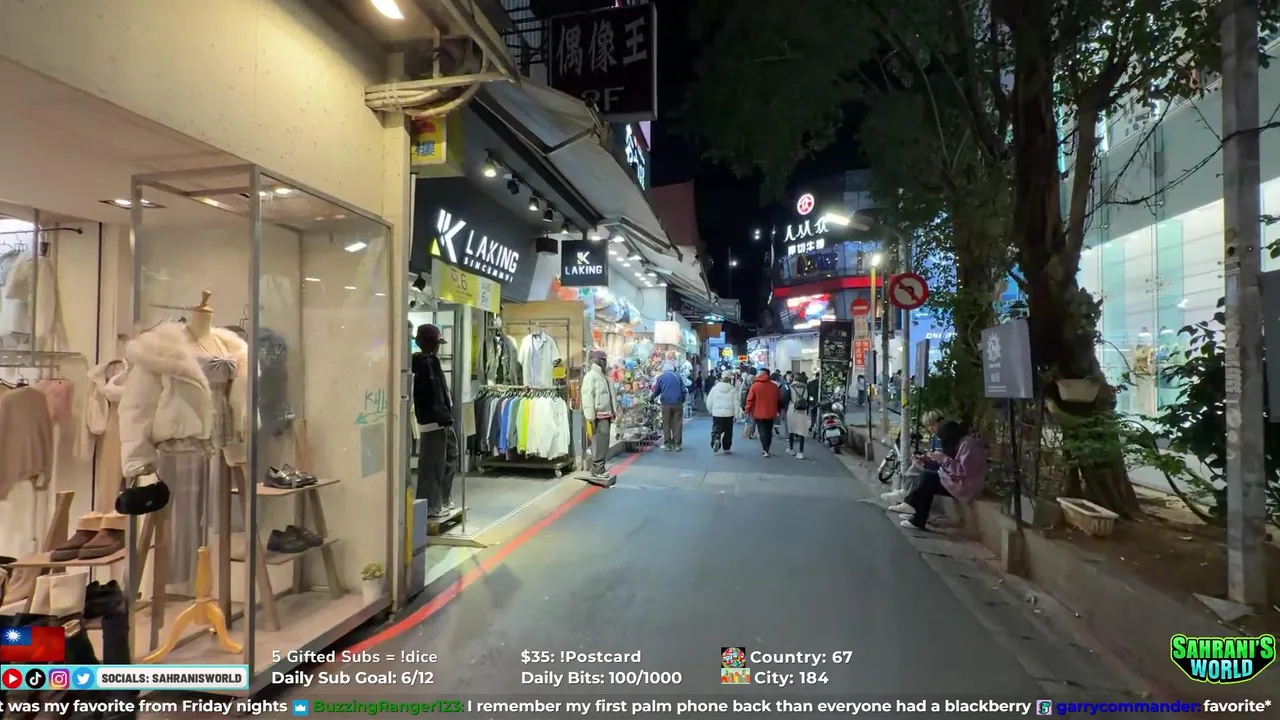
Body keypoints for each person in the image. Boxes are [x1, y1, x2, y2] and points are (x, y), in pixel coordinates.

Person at [890, 421, 986, 530]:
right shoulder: (961, 443)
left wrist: (944, 459)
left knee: (928, 479)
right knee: (925, 476)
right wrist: (931, 459)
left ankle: (915, 514)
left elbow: (962, 471)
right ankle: (915, 511)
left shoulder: (968, 445)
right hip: (957, 481)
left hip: (966, 486)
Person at [412, 324, 457, 518]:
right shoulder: (427, 364)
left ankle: (440, 500)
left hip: (438, 420)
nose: (438, 347)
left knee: (446, 459)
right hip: (435, 421)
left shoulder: (427, 362)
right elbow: (434, 394)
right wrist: (443, 417)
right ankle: (431, 505)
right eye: (436, 343)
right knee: (433, 465)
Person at [881, 410, 944, 503]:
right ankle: (905, 493)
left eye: (933, 425)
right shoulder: (935, 436)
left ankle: (905, 494)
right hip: (936, 465)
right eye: (928, 426)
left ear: (940, 422)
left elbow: (942, 457)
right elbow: (933, 454)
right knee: (916, 466)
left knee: (918, 472)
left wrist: (927, 458)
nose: (930, 428)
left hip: (942, 469)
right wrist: (923, 457)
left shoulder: (944, 437)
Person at [580, 350, 618, 478]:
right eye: (603, 360)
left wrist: (614, 411)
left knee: (604, 443)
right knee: (600, 443)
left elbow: (611, 396)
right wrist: (590, 417)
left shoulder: (604, 377)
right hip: (598, 415)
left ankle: (600, 468)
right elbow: (587, 397)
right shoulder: (591, 376)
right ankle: (597, 469)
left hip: (606, 414)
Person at [745, 368, 782, 457]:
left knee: (762, 431)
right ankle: (767, 448)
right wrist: (778, 410)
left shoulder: (755, 386)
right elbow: (779, 400)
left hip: (758, 412)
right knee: (769, 430)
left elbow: (749, 400)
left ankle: (765, 449)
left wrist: (748, 410)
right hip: (771, 412)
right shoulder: (774, 387)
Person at [650, 362, 686, 451]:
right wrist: (681, 400)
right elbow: (684, 391)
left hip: (666, 404)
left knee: (666, 424)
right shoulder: (678, 376)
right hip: (678, 403)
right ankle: (677, 445)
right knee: (677, 424)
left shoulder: (661, 377)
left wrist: (651, 398)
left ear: (664, 370)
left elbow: (657, 391)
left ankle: (668, 444)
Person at [706, 371, 738, 454]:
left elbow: (709, 401)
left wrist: (710, 410)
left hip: (717, 413)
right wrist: (736, 415)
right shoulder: (732, 389)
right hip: (729, 413)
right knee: (728, 431)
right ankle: (726, 448)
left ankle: (716, 439)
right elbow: (736, 403)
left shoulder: (715, 388)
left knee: (716, 429)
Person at [786, 372, 809, 459]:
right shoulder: (805, 387)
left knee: (791, 430)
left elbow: (786, 398)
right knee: (801, 431)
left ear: (795, 379)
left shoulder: (790, 387)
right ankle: (800, 452)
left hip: (792, 409)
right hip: (802, 411)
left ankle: (791, 449)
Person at [773, 370, 791, 437]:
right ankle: (787, 436)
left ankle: (775, 426)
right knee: (786, 420)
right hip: (783, 403)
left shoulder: (771, 384)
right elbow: (786, 393)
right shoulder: (784, 384)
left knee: (777, 416)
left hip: (775, 403)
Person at [806, 371, 821, 435]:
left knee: (813, 414)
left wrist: (809, 401)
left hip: (813, 402)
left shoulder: (810, 383)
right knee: (819, 414)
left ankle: (812, 424)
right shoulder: (822, 383)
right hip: (820, 402)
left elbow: (808, 393)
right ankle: (818, 426)